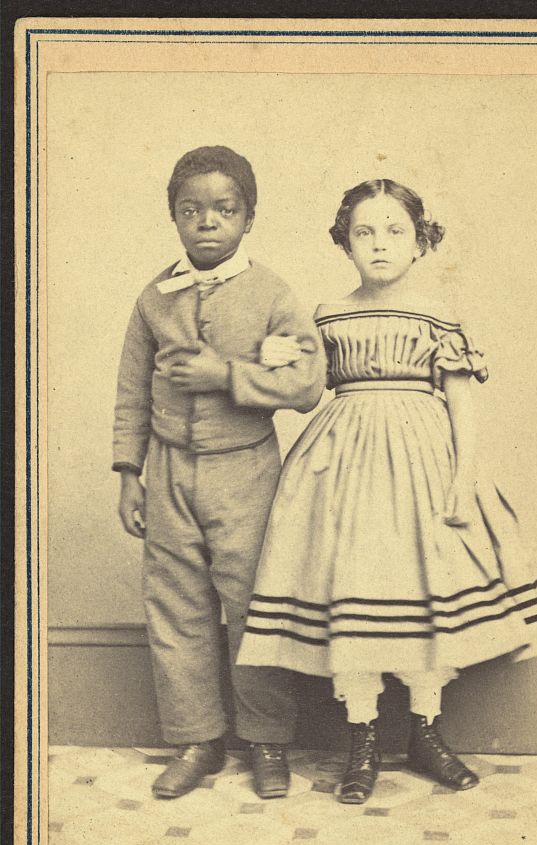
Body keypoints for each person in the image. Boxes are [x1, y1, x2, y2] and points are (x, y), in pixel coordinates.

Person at [238, 178, 537, 804]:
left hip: (422, 464)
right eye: (363, 232)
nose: (379, 245)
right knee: (354, 592)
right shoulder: (327, 313)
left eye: (394, 231)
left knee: (423, 593)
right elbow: (305, 387)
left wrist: (462, 480)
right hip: (341, 469)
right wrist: (271, 354)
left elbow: (461, 401)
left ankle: (427, 734)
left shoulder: (438, 314)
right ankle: (363, 742)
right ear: (344, 243)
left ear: (420, 242)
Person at [112, 146, 325, 800]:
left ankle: (267, 741)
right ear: (174, 218)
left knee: (255, 608)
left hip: (247, 475)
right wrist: (129, 472)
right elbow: (130, 391)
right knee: (176, 610)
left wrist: (226, 376)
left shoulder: (270, 296)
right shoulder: (155, 297)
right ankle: (196, 740)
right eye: (191, 210)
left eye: (224, 210)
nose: (207, 222)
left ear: (248, 218)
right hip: (169, 473)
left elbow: (305, 382)